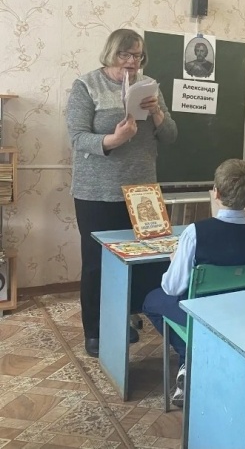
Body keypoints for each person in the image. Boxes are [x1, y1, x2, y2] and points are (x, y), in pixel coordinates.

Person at [66, 28, 177, 358]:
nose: (132, 62)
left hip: (142, 193)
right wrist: (115, 140)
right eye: (125, 55)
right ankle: (95, 331)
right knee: (98, 265)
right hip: (97, 193)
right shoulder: (87, 85)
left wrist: (157, 112)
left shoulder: (149, 85)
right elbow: (77, 138)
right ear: (111, 54)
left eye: (138, 55)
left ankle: (127, 317)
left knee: (144, 261)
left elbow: (170, 136)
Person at [142, 159, 245, 406]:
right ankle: (199, 362)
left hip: (206, 315)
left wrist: (175, 260)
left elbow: (172, 287)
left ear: (216, 193)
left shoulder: (196, 232)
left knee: (151, 300)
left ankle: (189, 357)